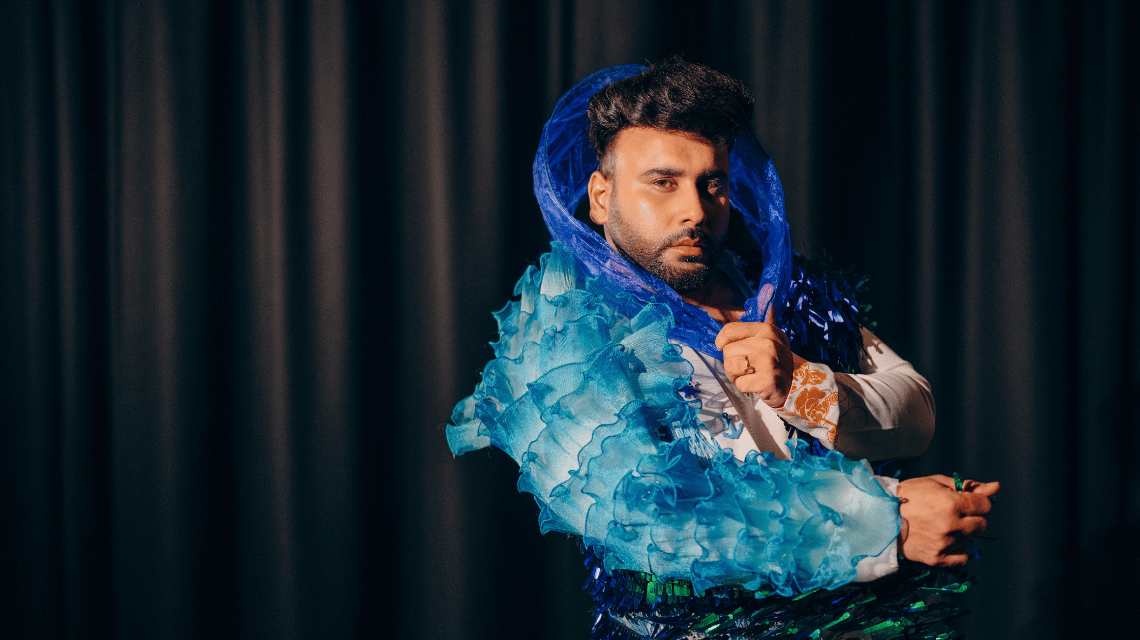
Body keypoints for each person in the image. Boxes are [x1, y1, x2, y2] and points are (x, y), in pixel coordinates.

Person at [449, 59, 997, 639]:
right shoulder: (557, 332)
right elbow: (656, 516)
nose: (694, 211)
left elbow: (915, 413)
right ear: (601, 197)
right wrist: (889, 519)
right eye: (662, 182)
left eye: (711, 184)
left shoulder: (780, 288)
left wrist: (801, 386)